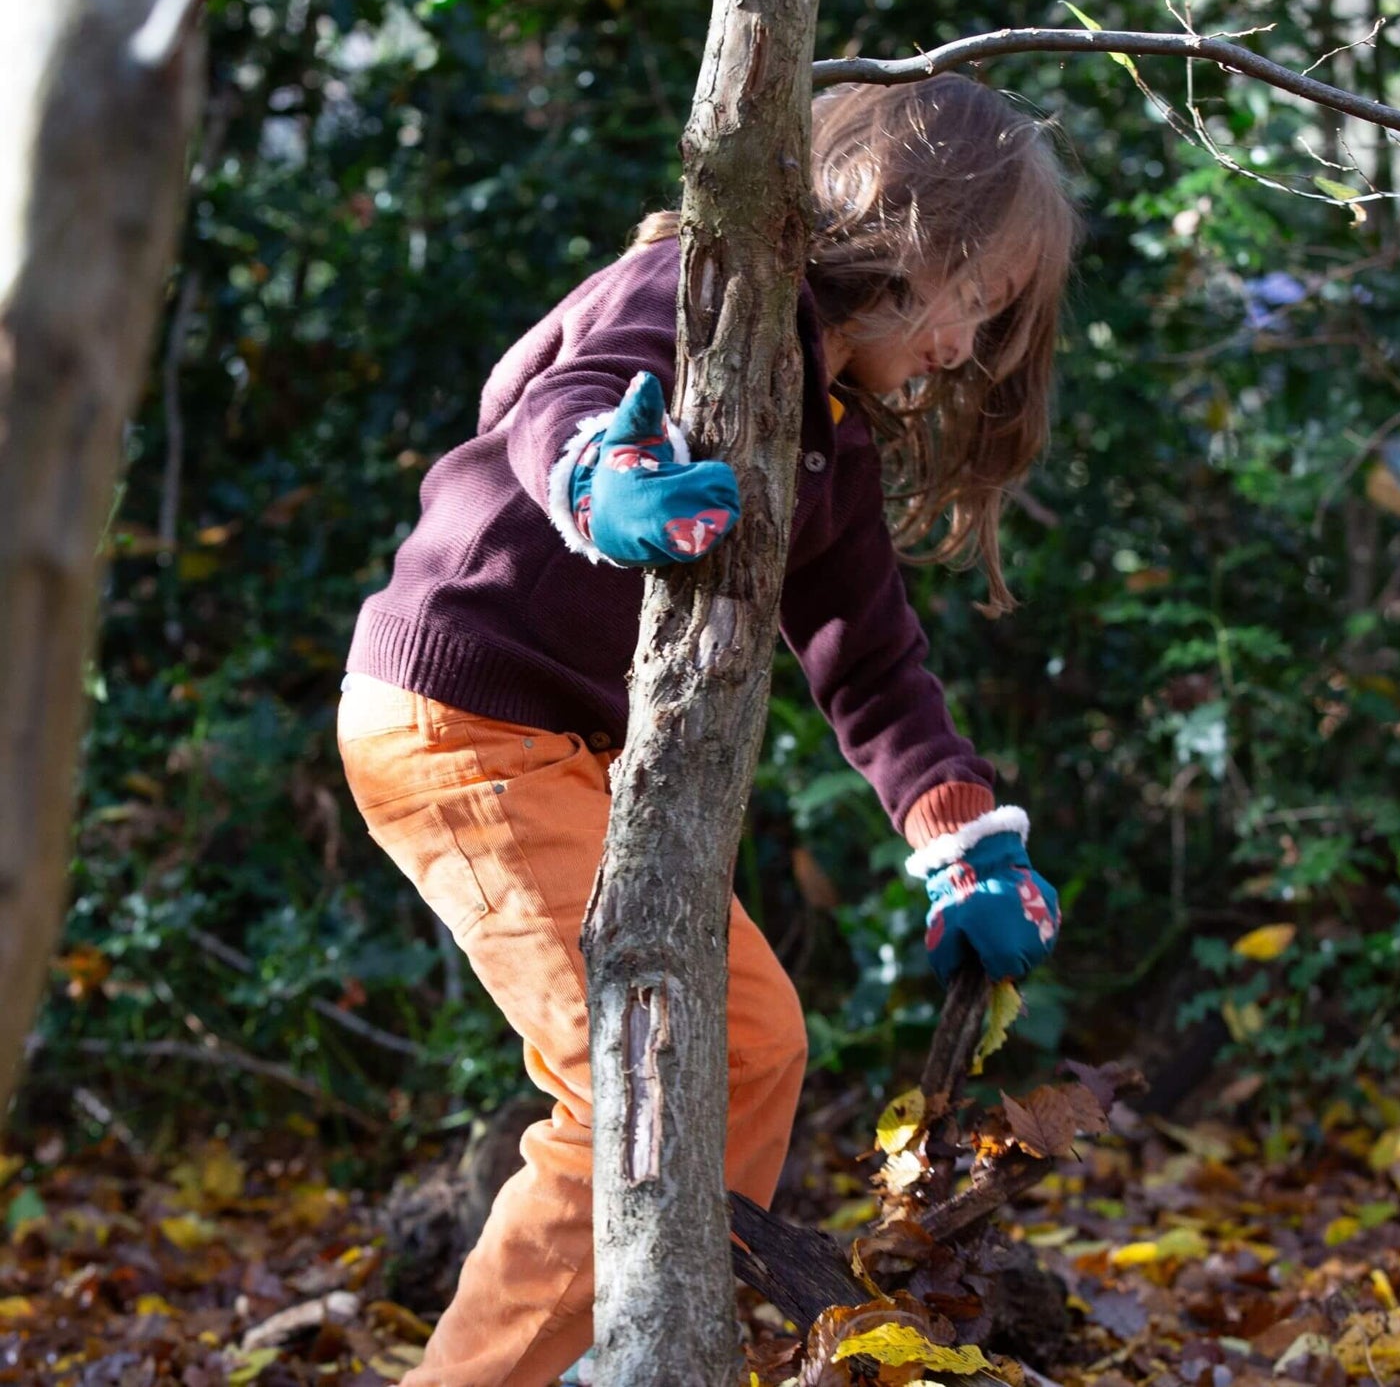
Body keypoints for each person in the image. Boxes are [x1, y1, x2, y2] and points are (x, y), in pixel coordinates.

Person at [337, 74, 1078, 1387]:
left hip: (578, 756)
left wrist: (961, 841)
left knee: (744, 1047)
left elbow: (874, 670)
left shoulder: (829, 441)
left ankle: (638, 1349)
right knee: (635, 1086)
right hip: (460, 716)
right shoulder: (707, 281)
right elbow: (582, 396)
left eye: (997, 312)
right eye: (966, 285)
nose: (965, 341)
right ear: (893, 221)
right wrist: (602, 479)